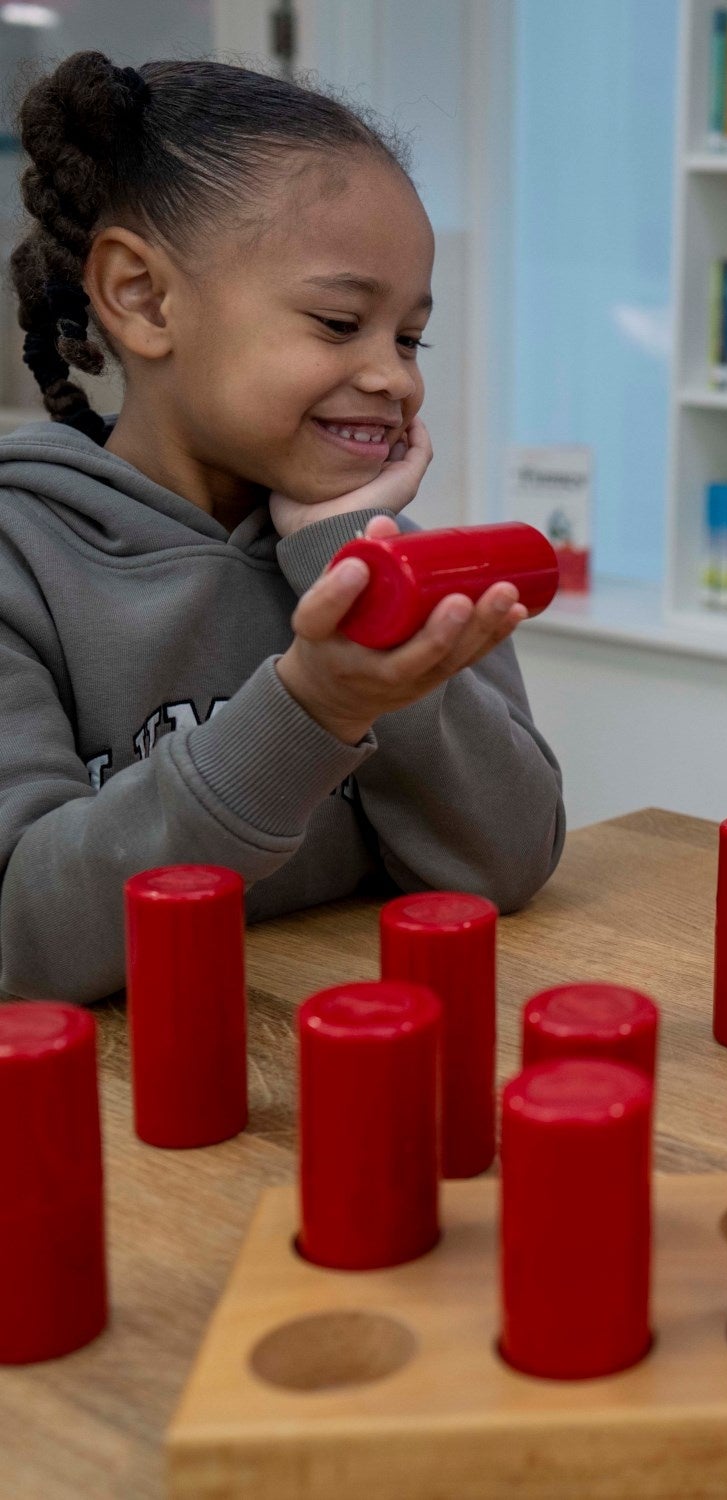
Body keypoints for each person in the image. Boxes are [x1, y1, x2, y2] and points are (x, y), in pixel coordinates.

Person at [0, 52, 564, 1002]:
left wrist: (353, 575)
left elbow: (504, 864)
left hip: (344, 1072)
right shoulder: (24, 562)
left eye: (410, 336)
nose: (396, 377)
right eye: (340, 323)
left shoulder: (382, 557)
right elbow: (26, 944)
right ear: (142, 296)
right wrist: (315, 708)